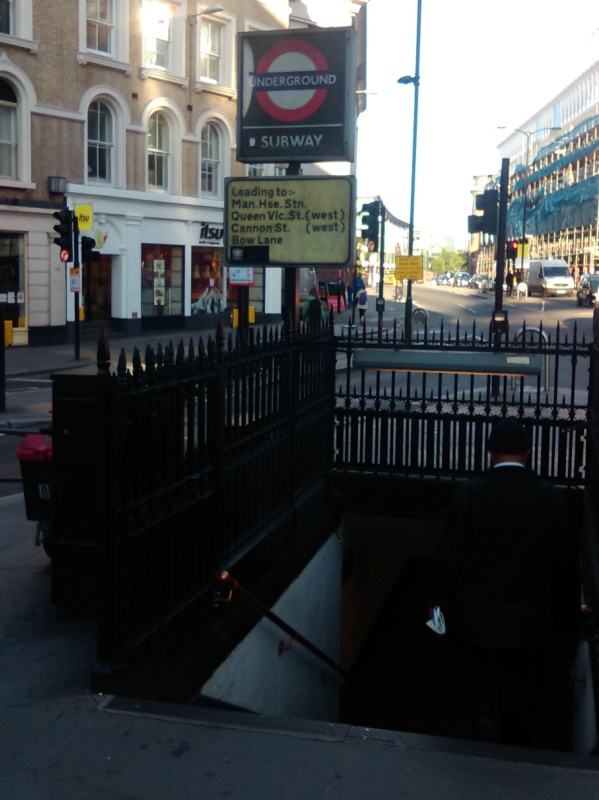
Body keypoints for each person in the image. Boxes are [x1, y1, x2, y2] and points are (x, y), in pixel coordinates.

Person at [428, 419, 580, 747]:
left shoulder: (467, 495)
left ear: (490, 452)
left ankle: (482, 718)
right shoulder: (551, 499)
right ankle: (515, 742)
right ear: (528, 453)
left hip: (472, 616)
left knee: (474, 675)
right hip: (529, 620)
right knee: (520, 688)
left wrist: (438, 608)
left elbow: (447, 559)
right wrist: (567, 624)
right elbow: (564, 568)